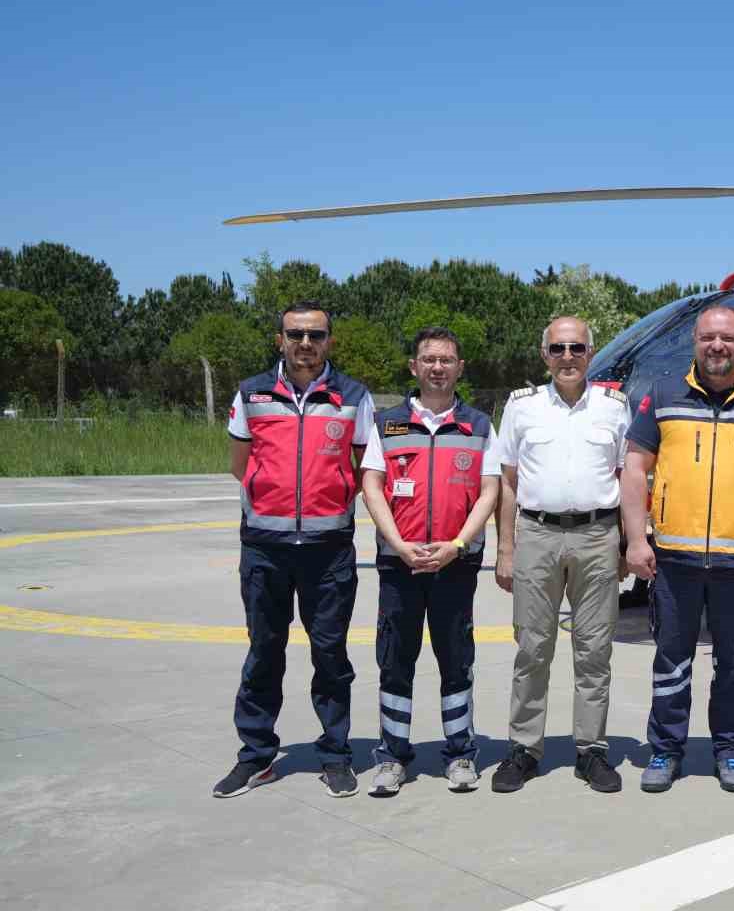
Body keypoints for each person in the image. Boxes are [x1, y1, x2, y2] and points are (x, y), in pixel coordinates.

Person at [622, 304, 734, 794]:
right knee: (671, 660)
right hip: (674, 559)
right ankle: (665, 749)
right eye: (708, 338)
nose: (717, 347)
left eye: (728, 339)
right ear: (695, 343)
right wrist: (637, 540)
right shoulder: (662, 396)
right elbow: (634, 470)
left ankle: (729, 749)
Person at [212, 302, 375, 799]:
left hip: (329, 549)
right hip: (266, 547)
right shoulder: (251, 392)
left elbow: (366, 467)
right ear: (279, 338)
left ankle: (335, 754)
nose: (306, 344)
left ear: (329, 339)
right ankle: (257, 756)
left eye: (316, 335)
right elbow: (242, 465)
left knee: (330, 656)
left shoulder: (352, 395)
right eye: (296, 334)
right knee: (264, 652)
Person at [489, 316, 632, 795]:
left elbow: (628, 479)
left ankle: (591, 750)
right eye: (558, 349)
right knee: (532, 648)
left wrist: (629, 544)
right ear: (544, 354)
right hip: (537, 534)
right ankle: (524, 749)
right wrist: (505, 549)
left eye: (576, 348)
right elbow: (507, 482)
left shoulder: (614, 407)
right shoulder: (521, 407)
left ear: (590, 353)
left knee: (594, 651)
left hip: (597, 537)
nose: (567, 357)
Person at [359, 327, 499, 796]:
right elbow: (372, 485)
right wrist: (398, 543)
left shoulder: (479, 426)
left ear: (460, 368)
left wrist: (458, 544)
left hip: (455, 564)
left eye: (446, 359)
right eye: (428, 359)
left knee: (456, 660)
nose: (437, 367)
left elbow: (490, 492)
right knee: (396, 661)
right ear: (414, 367)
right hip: (399, 564)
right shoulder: (387, 424)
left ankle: (460, 753)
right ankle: (393, 757)